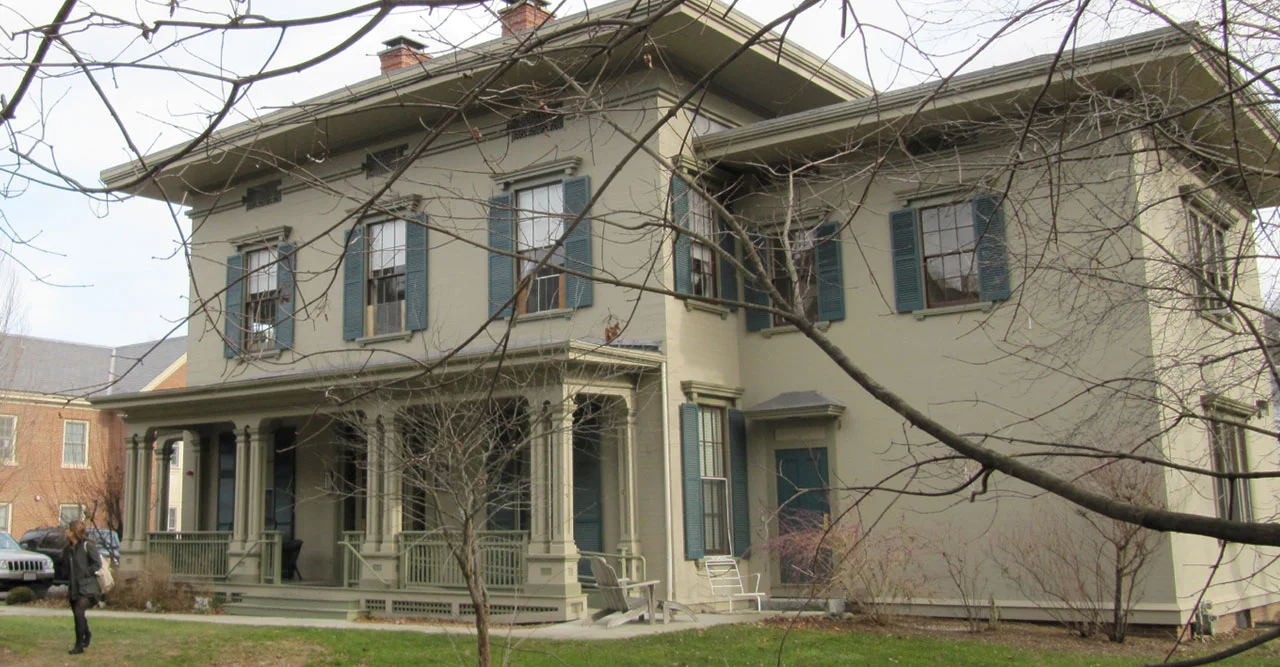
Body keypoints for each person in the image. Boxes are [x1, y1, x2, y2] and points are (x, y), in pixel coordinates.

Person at [62, 520, 103, 655]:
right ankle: (87, 633)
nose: (66, 531)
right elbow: (65, 567)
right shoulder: (68, 549)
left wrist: (86, 572)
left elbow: (97, 564)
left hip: (87, 587)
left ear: (74, 532)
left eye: (68, 529)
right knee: (77, 614)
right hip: (73, 586)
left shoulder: (87, 546)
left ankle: (79, 645)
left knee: (79, 612)